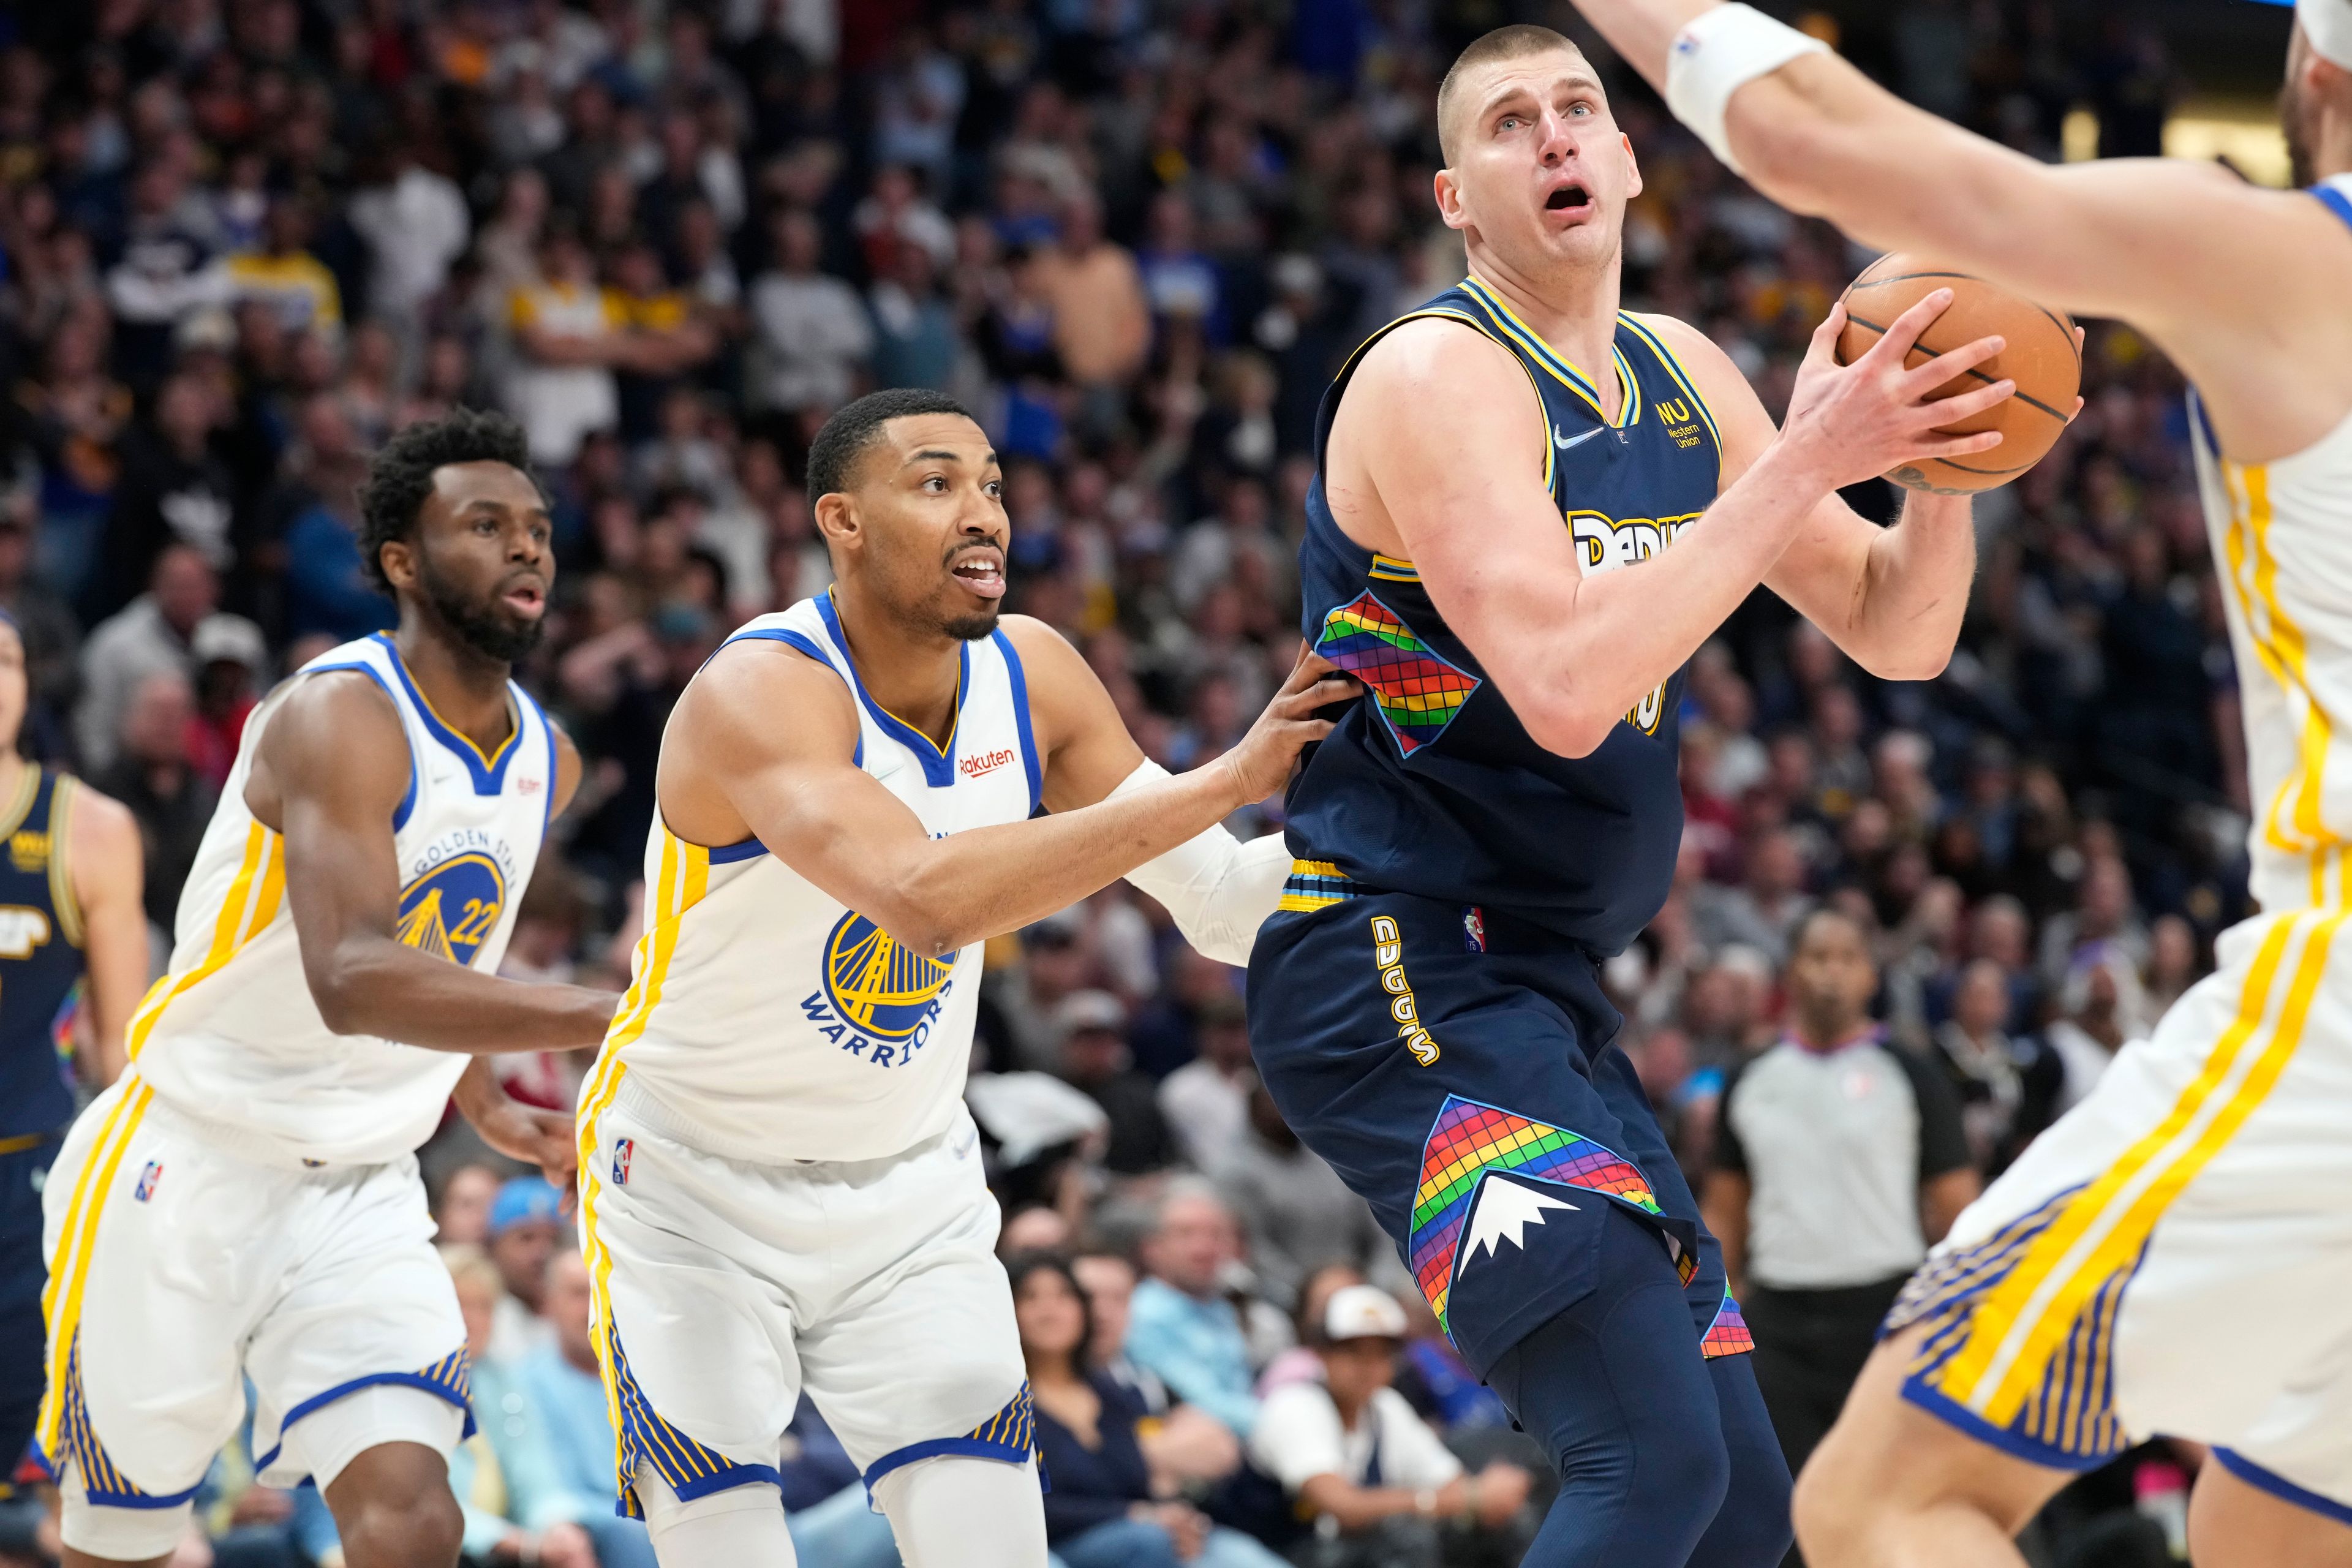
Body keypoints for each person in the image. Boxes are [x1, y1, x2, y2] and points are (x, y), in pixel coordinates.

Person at [1563, 0, 2352, 1560]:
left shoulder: (2290, 256)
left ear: (2317, 76)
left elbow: (1818, 141)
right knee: (2270, 1519)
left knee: (1887, 1502)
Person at [1245, 22, 2026, 1568]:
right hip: (1390, 961)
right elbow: (1559, 680)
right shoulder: (1436, 372)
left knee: (1742, 1509)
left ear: (1622, 158)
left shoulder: (1681, 372)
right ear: (1455, 197)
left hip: (1531, 983)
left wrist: (1935, 453)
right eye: (1508, 123)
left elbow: (1897, 629)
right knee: (1647, 1461)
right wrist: (1807, 457)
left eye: (1579, 109)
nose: (1552, 137)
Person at [569, 386, 1350, 1568]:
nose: (982, 512)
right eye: (936, 484)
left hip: (914, 1196)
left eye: (990, 483)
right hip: (691, 1186)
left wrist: (1428, 842)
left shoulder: (1034, 673)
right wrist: (1225, 779)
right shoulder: (760, 690)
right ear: (843, 519)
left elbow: (1225, 905)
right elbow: (923, 898)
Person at [35, 409, 612, 1568]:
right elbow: (353, 975)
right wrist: (610, 1009)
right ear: (403, 559)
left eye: (539, 530)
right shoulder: (338, 713)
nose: (528, 550)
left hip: (359, 1183)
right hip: (187, 1159)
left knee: (415, 1518)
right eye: (487, 525)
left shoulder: (549, 758)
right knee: (123, 1543)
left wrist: (490, 1102)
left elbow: (456, 947)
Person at [1702, 909, 1979, 1501]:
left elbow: (1958, 1210)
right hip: (1778, 1321)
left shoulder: (1913, 1074)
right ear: (1791, 973)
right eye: (1818, 957)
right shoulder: (1750, 1077)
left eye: (1848, 957)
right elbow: (1725, 1210)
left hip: (1886, 1315)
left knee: (1888, 1501)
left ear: (1871, 976)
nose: (1832, 972)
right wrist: (1716, 1316)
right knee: (1785, 1508)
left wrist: (1958, 1316)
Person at [0, 614, 148, 1505]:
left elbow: (121, 1051)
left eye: (7, 657)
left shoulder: (87, 828)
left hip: (31, 1177)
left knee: (41, 1474)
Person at [1010, 1253, 1285, 1568]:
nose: (1050, 1311)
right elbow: (1020, 1506)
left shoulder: (1115, 1393)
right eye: (1031, 1297)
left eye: (1063, 1296)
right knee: (1148, 1543)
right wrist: (1134, 1514)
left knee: (1241, 1556)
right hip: (1055, 1543)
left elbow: (1141, 1479)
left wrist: (1171, 1514)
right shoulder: (1003, 1403)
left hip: (1142, 1533)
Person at [1245, 1286, 1533, 1566]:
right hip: (1277, 1551)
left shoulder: (1385, 1406)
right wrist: (1462, 1499)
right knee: (1407, 1538)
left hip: (1347, 1552)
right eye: (1353, 1351)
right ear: (1322, 1353)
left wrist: (1486, 1497)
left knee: (1500, 1525)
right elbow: (1344, 1508)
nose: (1369, 1365)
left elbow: (1451, 1482)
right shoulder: (1294, 1404)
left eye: (1382, 1353)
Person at [1125, 1183, 1263, 1442]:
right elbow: (1203, 1403)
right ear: (1152, 1248)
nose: (1205, 1248)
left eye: (1216, 1235)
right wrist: (1282, 1422)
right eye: (1186, 1234)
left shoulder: (1221, 1308)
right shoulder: (1142, 1315)